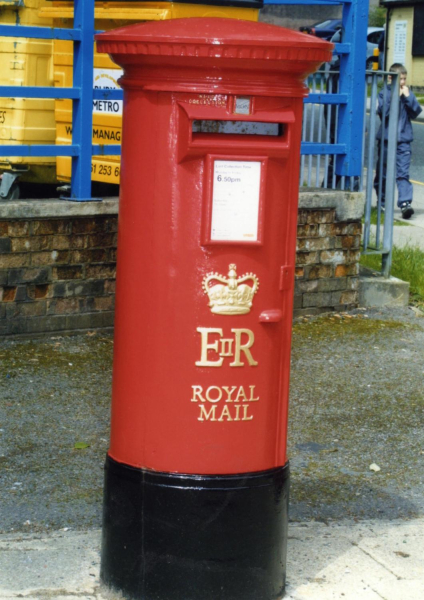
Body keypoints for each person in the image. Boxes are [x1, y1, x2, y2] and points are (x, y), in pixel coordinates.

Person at [374, 63, 422, 219]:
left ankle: (405, 204)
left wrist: (407, 97)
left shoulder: (407, 93)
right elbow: (383, 113)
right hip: (387, 140)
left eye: (404, 79)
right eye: (400, 79)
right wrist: (395, 96)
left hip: (403, 140)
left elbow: (415, 112)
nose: (403, 82)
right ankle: (381, 202)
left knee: (403, 173)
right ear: (390, 78)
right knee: (383, 173)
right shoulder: (383, 94)